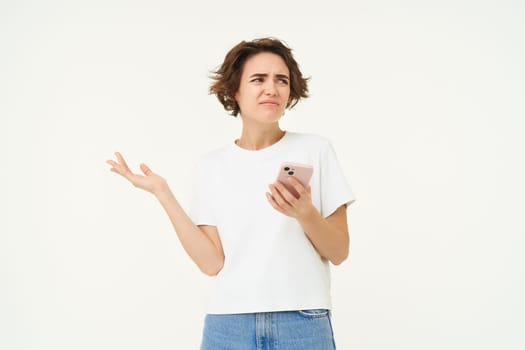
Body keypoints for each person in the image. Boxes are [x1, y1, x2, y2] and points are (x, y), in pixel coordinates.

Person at [106, 37, 356, 350]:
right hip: (228, 325)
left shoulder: (315, 150)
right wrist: (162, 193)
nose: (272, 89)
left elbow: (339, 251)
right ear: (234, 90)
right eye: (258, 79)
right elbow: (211, 263)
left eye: (282, 80)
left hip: (302, 321)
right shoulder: (211, 166)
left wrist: (304, 213)